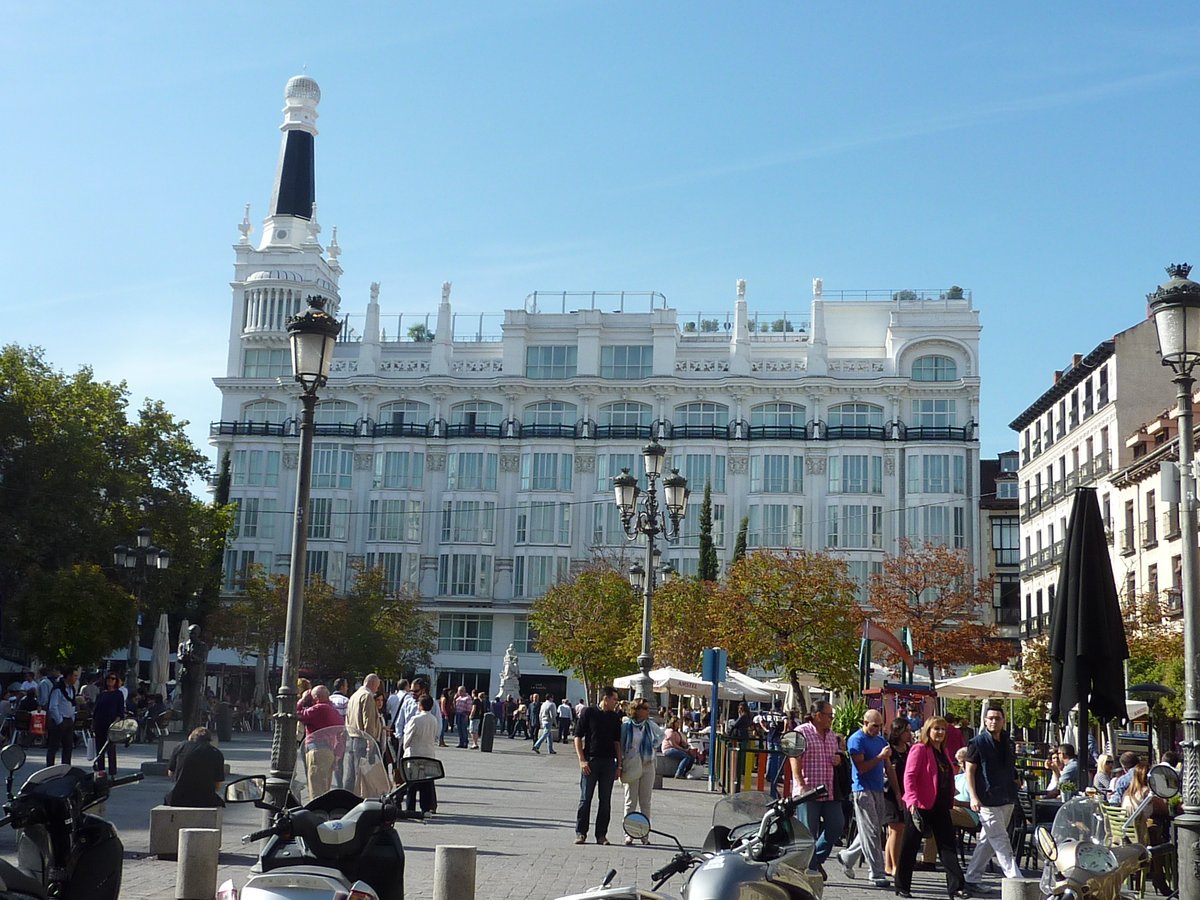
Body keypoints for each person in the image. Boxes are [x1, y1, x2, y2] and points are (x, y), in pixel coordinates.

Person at [894, 716, 967, 900]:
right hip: (919, 805)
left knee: (947, 847)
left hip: (940, 805)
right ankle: (902, 885)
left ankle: (957, 887)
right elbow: (909, 777)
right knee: (910, 847)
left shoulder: (943, 752)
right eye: (936, 729)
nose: (940, 733)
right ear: (928, 730)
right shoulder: (920, 749)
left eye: (943, 730)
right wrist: (911, 802)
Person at [961, 707, 1022, 889]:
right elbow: (969, 772)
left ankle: (972, 878)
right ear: (985, 721)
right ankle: (1016, 880)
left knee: (989, 840)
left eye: (997, 718)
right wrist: (973, 797)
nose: (993, 721)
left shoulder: (1008, 743)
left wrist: (1016, 779)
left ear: (1004, 721)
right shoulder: (977, 743)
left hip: (1006, 797)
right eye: (990, 718)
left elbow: (1011, 767)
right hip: (986, 798)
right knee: (1001, 840)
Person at [837, 708, 895, 887]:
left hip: (877, 787)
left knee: (873, 828)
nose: (877, 729)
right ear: (865, 723)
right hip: (862, 788)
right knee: (871, 831)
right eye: (874, 726)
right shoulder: (857, 740)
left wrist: (897, 791)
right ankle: (876, 872)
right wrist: (879, 756)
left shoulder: (880, 740)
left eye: (879, 726)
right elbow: (861, 767)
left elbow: (888, 766)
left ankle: (848, 856)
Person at [789, 700, 844, 879]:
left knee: (836, 826)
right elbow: (794, 758)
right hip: (809, 791)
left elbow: (836, 756)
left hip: (828, 790)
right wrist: (801, 784)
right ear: (818, 716)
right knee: (808, 833)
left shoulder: (832, 735)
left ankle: (816, 860)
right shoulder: (801, 732)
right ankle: (809, 869)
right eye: (829, 715)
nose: (832, 718)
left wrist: (838, 758)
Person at [574, 686, 623, 846]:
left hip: (608, 763)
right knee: (585, 799)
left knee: (605, 801)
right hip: (591, 760)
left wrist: (619, 765)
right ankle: (581, 833)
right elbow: (578, 736)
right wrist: (582, 759)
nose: (616, 702)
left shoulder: (615, 717)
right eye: (614, 699)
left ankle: (601, 835)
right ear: (605, 698)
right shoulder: (589, 712)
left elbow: (617, 742)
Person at [620, 699, 660, 844]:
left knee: (645, 801)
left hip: (648, 765)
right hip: (632, 765)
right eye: (645, 708)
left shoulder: (650, 725)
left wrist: (653, 747)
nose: (648, 711)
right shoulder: (627, 726)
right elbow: (621, 743)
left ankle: (644, 834)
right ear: (636, 710)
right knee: (630, 801)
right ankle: (628, 833)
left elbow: (661, 736)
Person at [296, 685, 344, 798]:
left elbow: (297, 714)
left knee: (316, 790)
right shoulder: (334, 711)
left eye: (312, 697)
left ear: (317, 697)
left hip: (317, 750)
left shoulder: (319, 709)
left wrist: (302, 700)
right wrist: (338, 754)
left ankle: (316, 814)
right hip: (329, 752)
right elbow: (341, 735)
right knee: (325, 788)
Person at [165, 727, 225, 807]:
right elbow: (217, 785)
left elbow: (171, 773)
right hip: (206, 800)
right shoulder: (216, 753)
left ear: (191, 737)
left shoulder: (180, 746)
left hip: (178, 798)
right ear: (209, 740)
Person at [884, 717, 914, 878]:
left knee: (896, 831)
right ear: (898, 732)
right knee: (896, 829)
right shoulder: (890, 750)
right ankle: (895, 866)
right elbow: (891, 773)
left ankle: (889, 865)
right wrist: (897, 794)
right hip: (891, 793)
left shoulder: (909, 749)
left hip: (906, 792)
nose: (909, 734)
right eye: (906, 731)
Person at [345, 674, 384, 793]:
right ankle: (358, 796)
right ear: (372, 684)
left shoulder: (354, 695)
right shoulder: (367, 696)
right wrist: (370, 741)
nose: (377, 689)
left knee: (351, 772)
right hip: (362, 737)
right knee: (362, 771)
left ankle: (348, 795)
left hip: (352, 736)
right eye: (377, 686)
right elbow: (369, 720)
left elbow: (348, 717)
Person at [402, 694, 439, 814]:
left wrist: (405, 747)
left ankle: (410, 808)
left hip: (415, 753)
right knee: (425, 784)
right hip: (428, 753)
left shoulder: (415, 719)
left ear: (420, 705)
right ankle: (425, 808)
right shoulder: (434, 720)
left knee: (412, 784)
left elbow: (407, 737)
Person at [91, 671, 129, 776]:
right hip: (100, 723)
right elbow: (96, 710)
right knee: (99, 748)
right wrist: (93, 724)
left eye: (113, 679)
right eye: (108, 678)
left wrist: (116, 723)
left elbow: (120, 711)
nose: (110, 681)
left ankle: (112, 771)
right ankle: (101, 769)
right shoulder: (101, 694)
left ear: (116, 681)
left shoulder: (118, 694)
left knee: (111, 749)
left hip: (111, 724)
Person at [45, 667, 78, 767]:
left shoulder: (71, 689)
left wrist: (72, 718)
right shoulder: (58, 689)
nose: (76, 678)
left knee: (68, 747)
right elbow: (53, 706)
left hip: (69, 720)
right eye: (74, 676)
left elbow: (71, 703)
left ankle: (66, 767)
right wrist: (59, 721)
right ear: (68, 676)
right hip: (59, 721)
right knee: (53, 747)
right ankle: (50, 767)